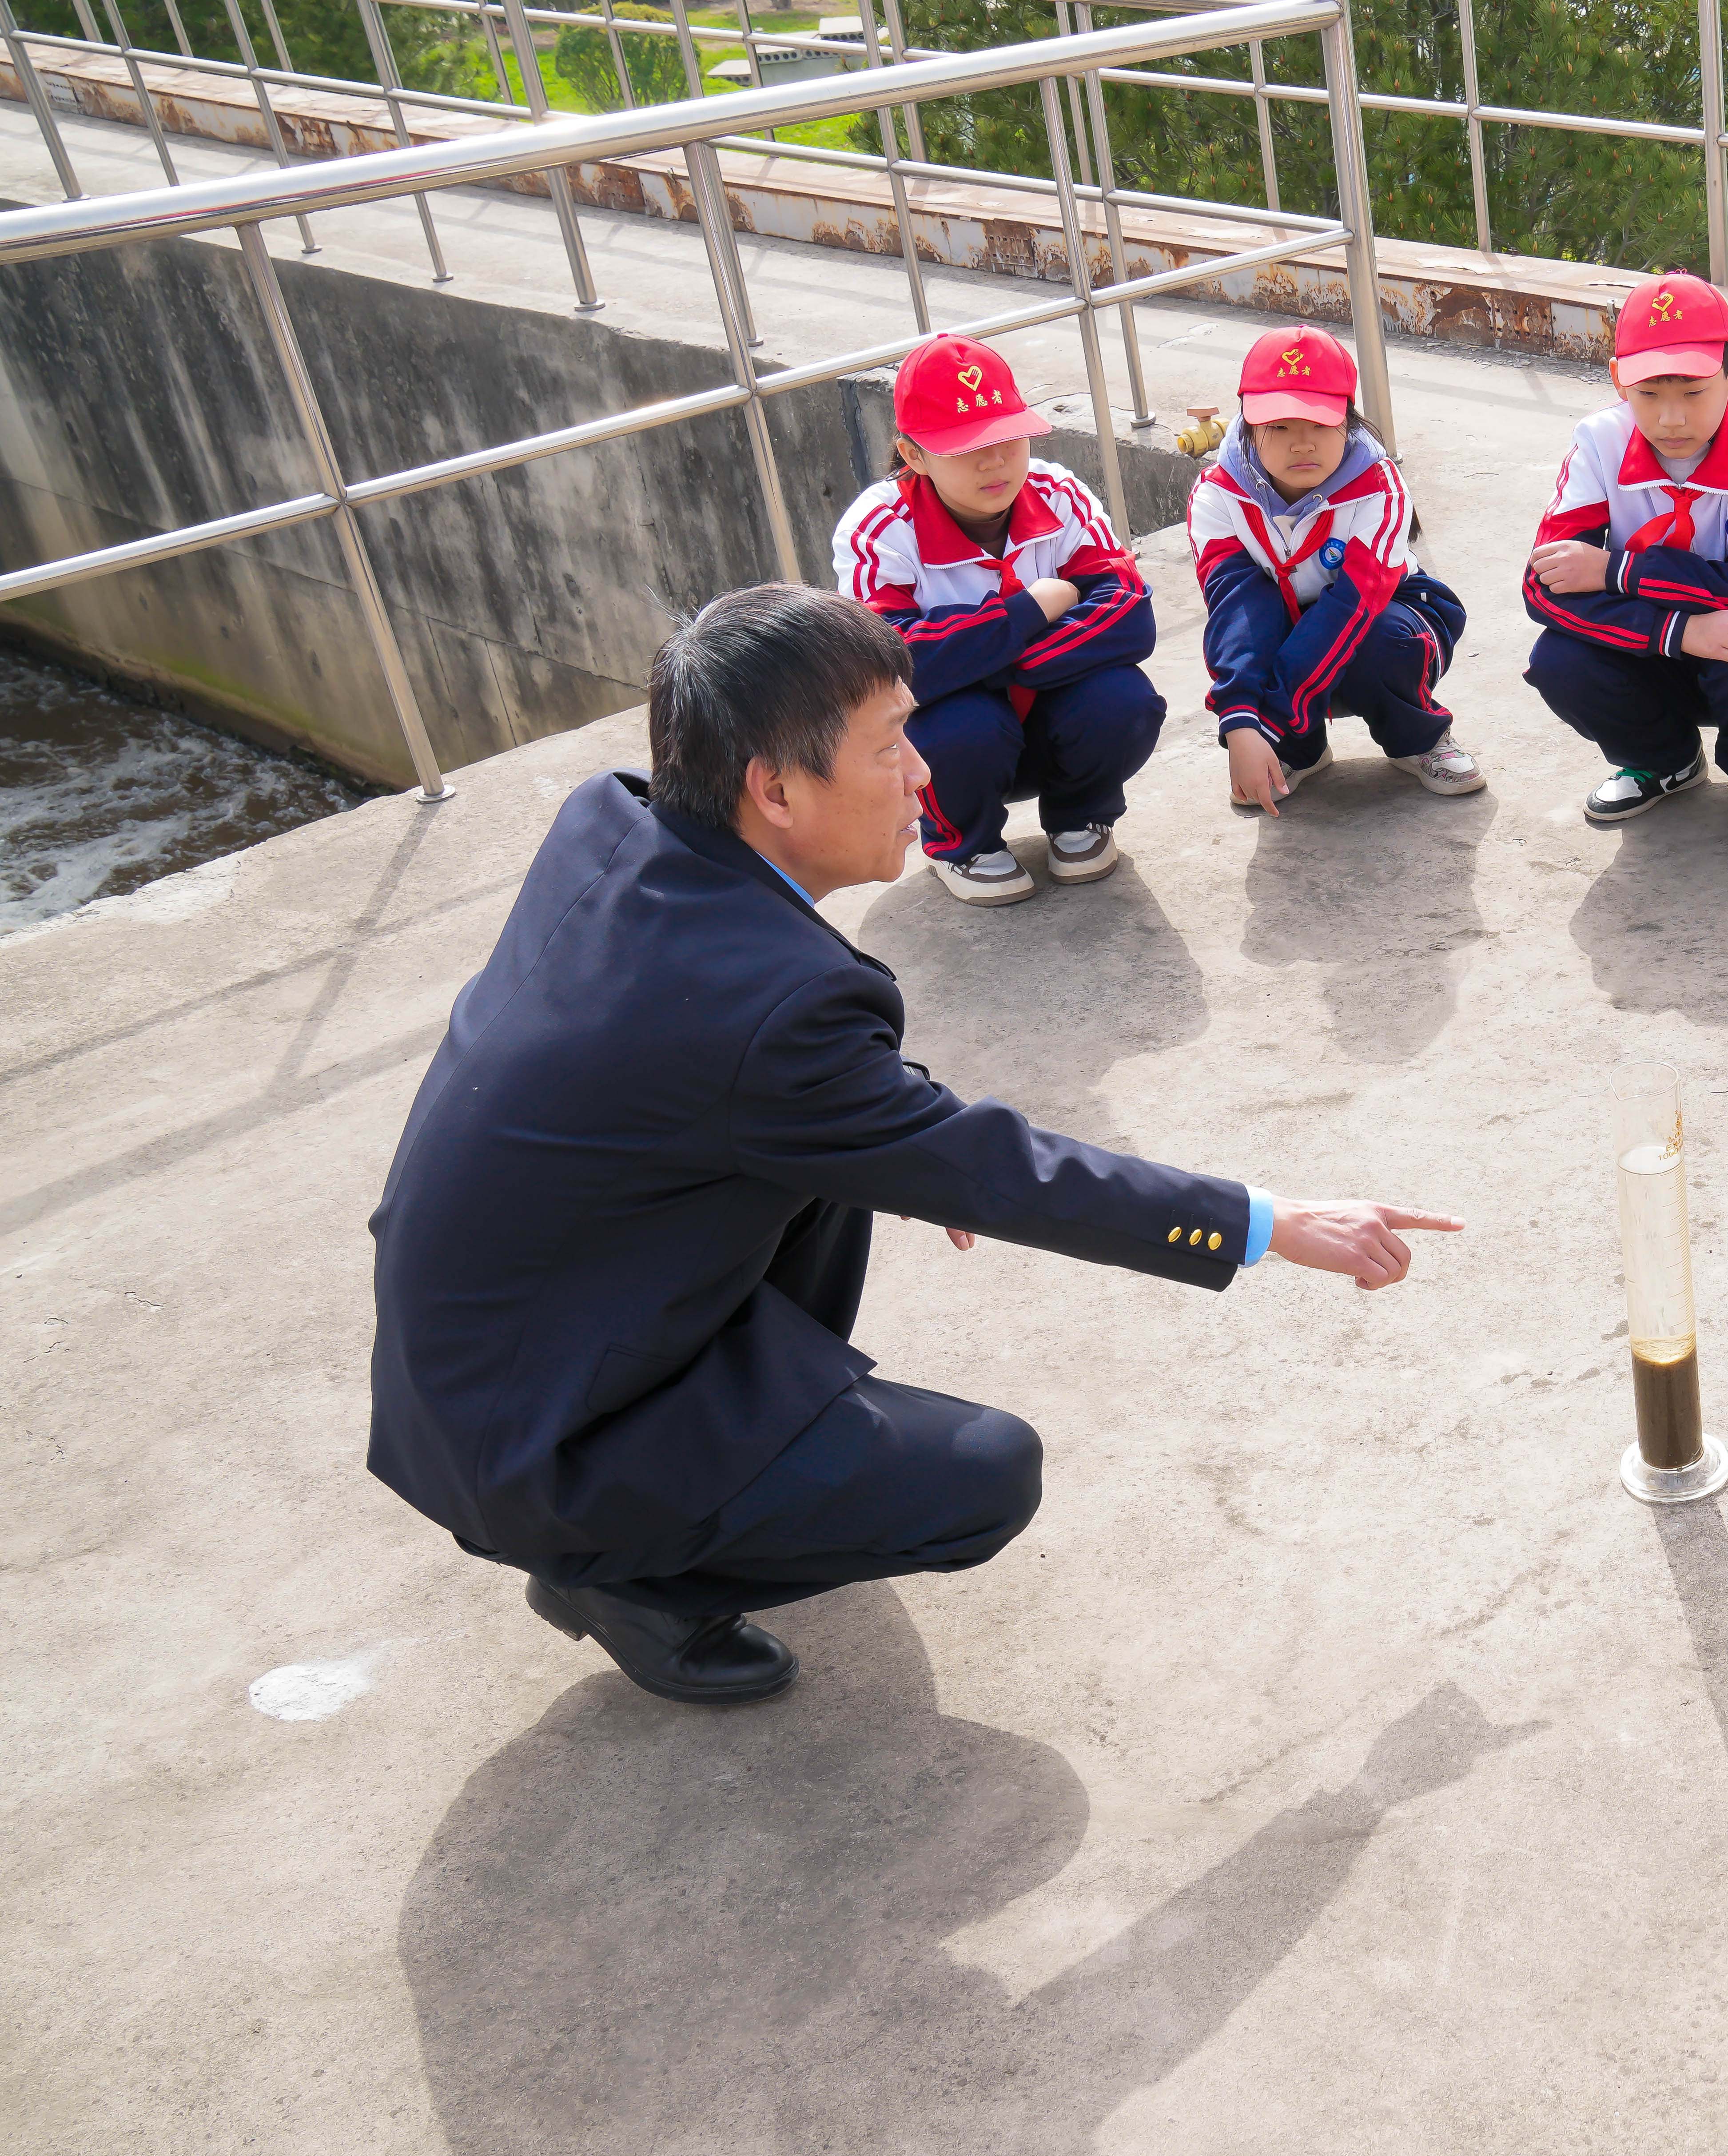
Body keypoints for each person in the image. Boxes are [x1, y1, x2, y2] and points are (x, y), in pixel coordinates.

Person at [364, 586, 1459, 1707]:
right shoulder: (775, 1013)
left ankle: (704, 1477)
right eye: (891, 748)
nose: (927, 775)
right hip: (531, 1443)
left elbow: (808, 1097)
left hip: (471, 1356)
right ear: (775, 788)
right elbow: (1000, 1169)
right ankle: (622, 1574)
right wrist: (1272, 1225)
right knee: (983, 1477)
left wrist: (906, 1143)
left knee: (842, 1167)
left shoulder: (619, 822)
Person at [832, 333, 1161, 907]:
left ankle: (1079, 817)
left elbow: (1131, 616)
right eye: (964, 447)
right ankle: (962, 844)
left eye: (1008, 439)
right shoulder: (878, 527)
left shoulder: (1058, 493)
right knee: (957, 728)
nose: (994, 462)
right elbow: (888, 671)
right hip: (964, 742)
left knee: (1123, 701)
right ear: (913, 456)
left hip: (1048, 716)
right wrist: (1031, 609)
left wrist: (982, 660)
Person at [1520, 271, 1728, 835]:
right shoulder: (1599, 440)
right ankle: (1664, 761)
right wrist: (1676, 632)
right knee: (1557, 661)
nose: (1671, 418)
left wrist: (1615, 569)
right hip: (1653, 637)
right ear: (1619, 382)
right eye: (1649, 394)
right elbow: (1542, 588)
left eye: (1693, 393)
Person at [1188, 324, 1484, 814]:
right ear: (1247, 422)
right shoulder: (1217, 495)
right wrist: (1240, 719)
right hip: (1287, 626)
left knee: (1383, 637)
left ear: (1348, 419)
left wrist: (1269, 720)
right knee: (1259, 630)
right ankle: (1298, 752)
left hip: (1384, 616)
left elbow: (1353, 606)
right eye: (1279, 426)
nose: (1302, 443)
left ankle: (1418, 737)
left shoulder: (1380, 487)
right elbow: (1237, 610)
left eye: (1320, 423)